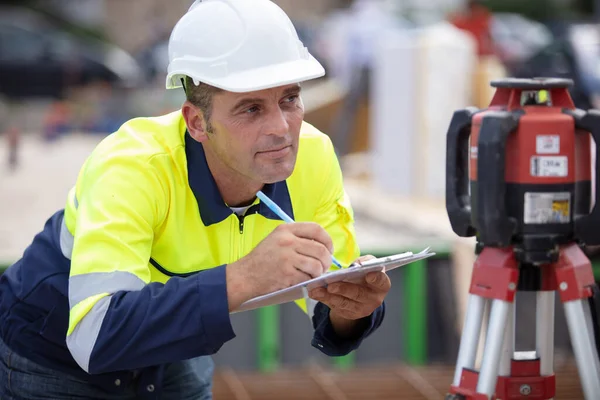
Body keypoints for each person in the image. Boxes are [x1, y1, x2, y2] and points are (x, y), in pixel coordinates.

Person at [0, 0, 389, 399]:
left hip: (170, 337)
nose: (281, 129)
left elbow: (328, 296)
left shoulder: (313, 155)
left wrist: (350, 310)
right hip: (53, 351)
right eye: (251, 109)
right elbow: (94, 336)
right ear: (197, 122)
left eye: (289, 99)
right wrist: (244, 277)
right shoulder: (134, 165)